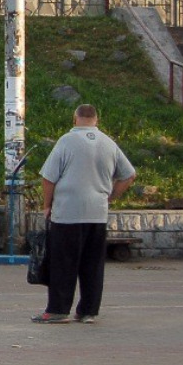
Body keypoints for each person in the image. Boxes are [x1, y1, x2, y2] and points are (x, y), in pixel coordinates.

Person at [32, 104, 136, 324]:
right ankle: (88, 311)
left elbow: (48, 177)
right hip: (97, 213)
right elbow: (129, 175)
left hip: (67, 213)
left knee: (63, 263)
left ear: (75, 119)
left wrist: (47, 205)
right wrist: (110, 197)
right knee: (93, 265)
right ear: (96, 120)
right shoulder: (108, 143)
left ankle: (58, 310)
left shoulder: (66, 141)